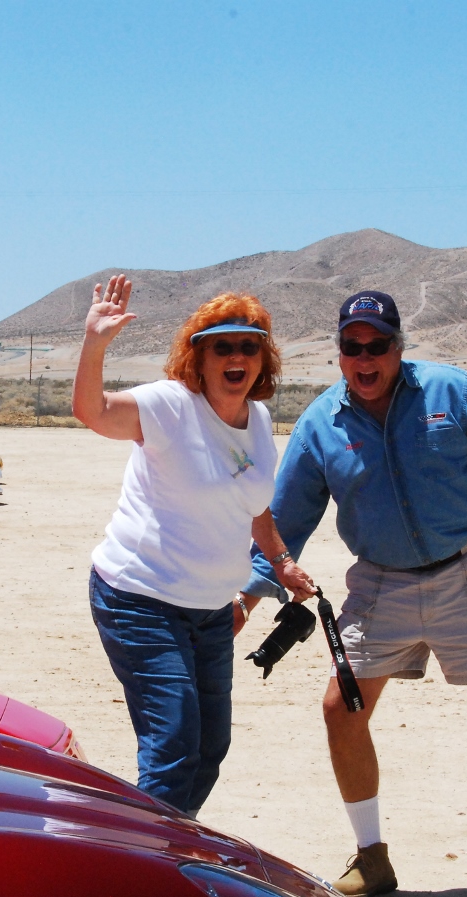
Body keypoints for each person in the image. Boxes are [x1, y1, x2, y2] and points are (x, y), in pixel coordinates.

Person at [241, 290, 467, 897]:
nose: (365, 357)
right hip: (381, 582)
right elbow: (287, 515)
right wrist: (251, 593)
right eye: (352, 347)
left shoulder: (447, 390)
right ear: (339, 355)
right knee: (341, 709)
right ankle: (371, 859)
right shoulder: (321, 423)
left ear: (397, 348)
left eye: (377, 345)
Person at [73, 274, 315, 816]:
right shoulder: (168, 406)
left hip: (211, 612)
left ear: (263, 359)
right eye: (221, 346)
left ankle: (170, 848)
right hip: (139, 600)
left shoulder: (257, 419)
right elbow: (93, 412)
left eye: (248, 347)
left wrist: (281, 562)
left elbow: (254, 505)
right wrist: (95, 343)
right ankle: (141, 871)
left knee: (209, 749)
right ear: (198, 358)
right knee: (174, 742)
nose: (237, 356)